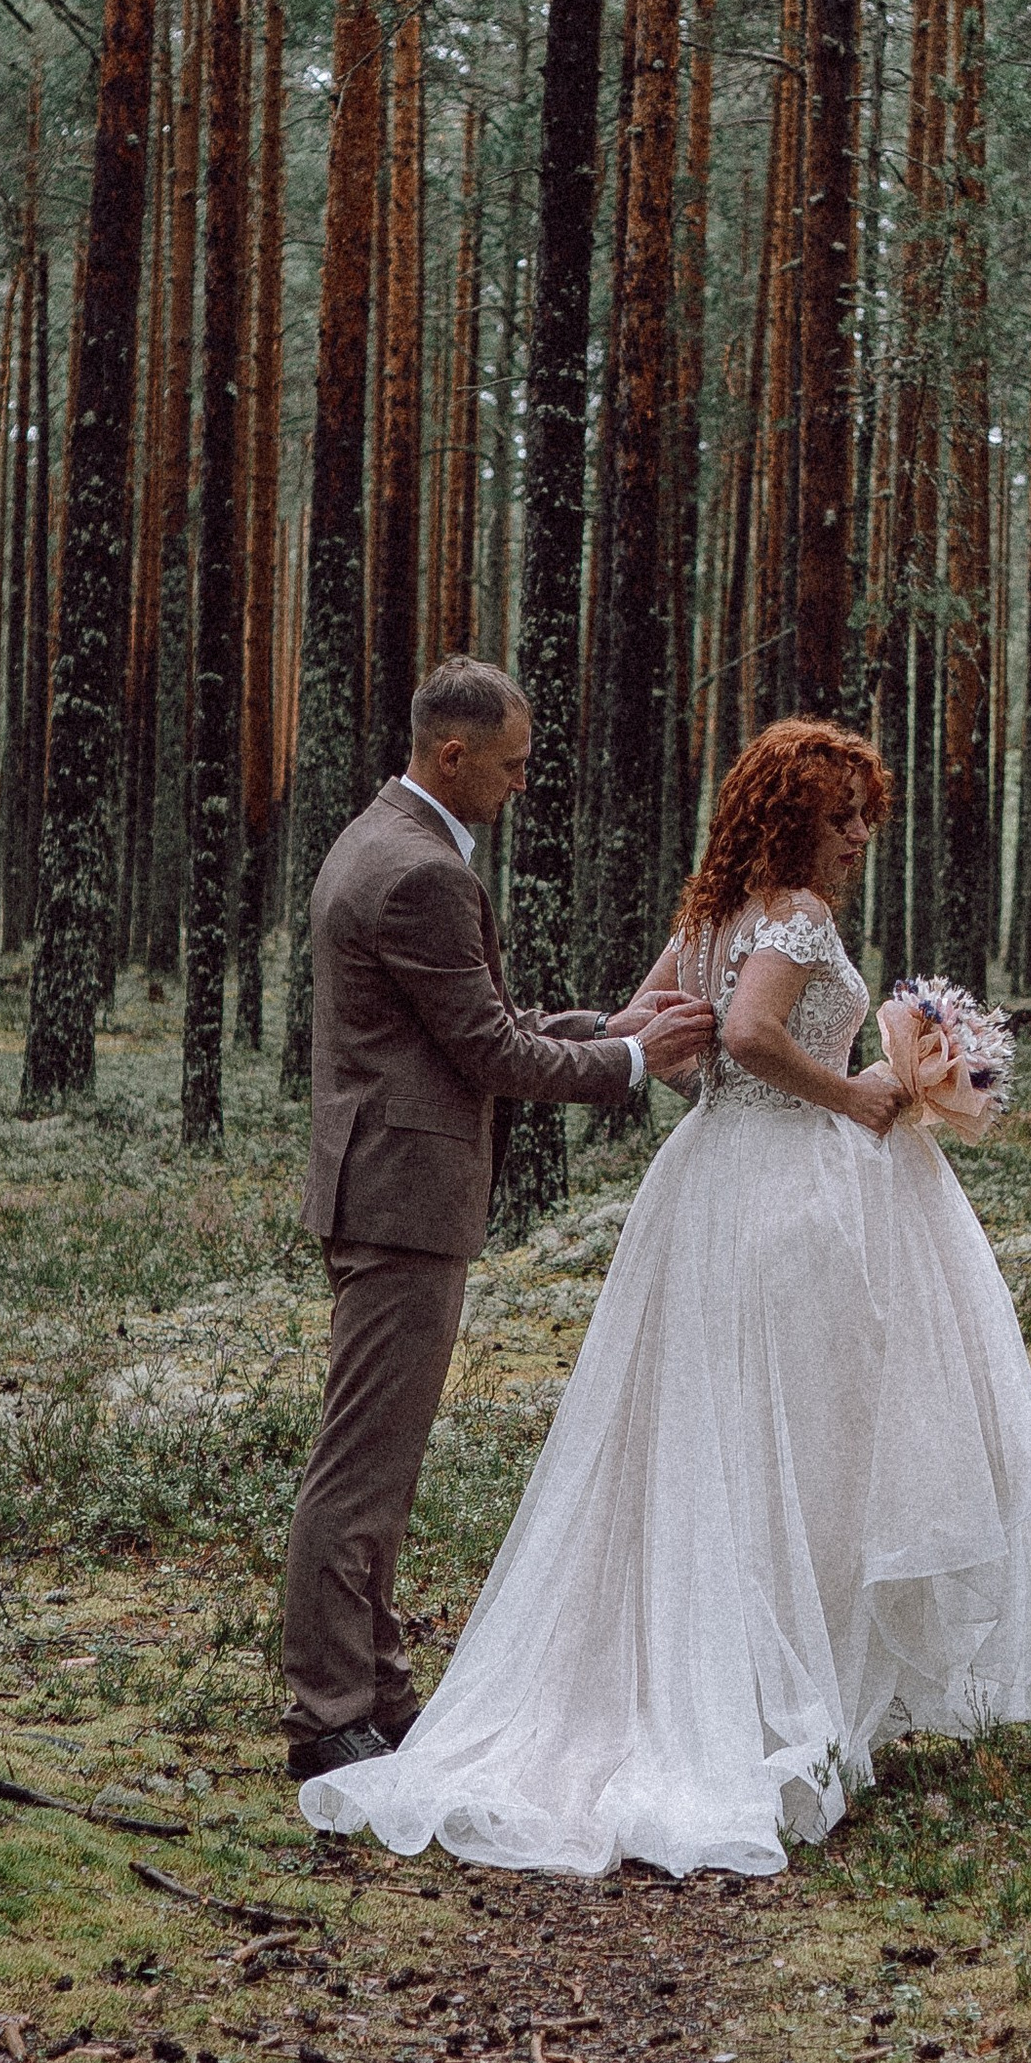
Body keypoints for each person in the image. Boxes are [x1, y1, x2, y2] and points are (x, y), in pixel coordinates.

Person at [299, 714, 1031, 1878]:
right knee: (798, 1440)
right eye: (841, 820)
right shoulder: (793, 916)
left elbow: (663, 1029)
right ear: (792, 822)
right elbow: (739, 1031)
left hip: (704, 1188)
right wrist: (856, 1095)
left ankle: (757, 1668)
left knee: (715, 1438)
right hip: (784, 1194)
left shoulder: (707, 916)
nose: (857, 841)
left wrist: (676, 1056)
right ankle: (768, 1691)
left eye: (864, 821)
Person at [279, 656, 716, 1781]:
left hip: (381, 1183)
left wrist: (603, 1022)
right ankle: (329, 1715)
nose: (524, 784)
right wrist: (625, 1059)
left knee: (381, 1459)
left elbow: (474, 1019)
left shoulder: (382, 840)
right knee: (363, 1467)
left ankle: (372, 1687)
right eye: (513, 766)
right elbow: (488, 1052)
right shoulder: (419, 872)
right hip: (402, 1198)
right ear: (453, 755)